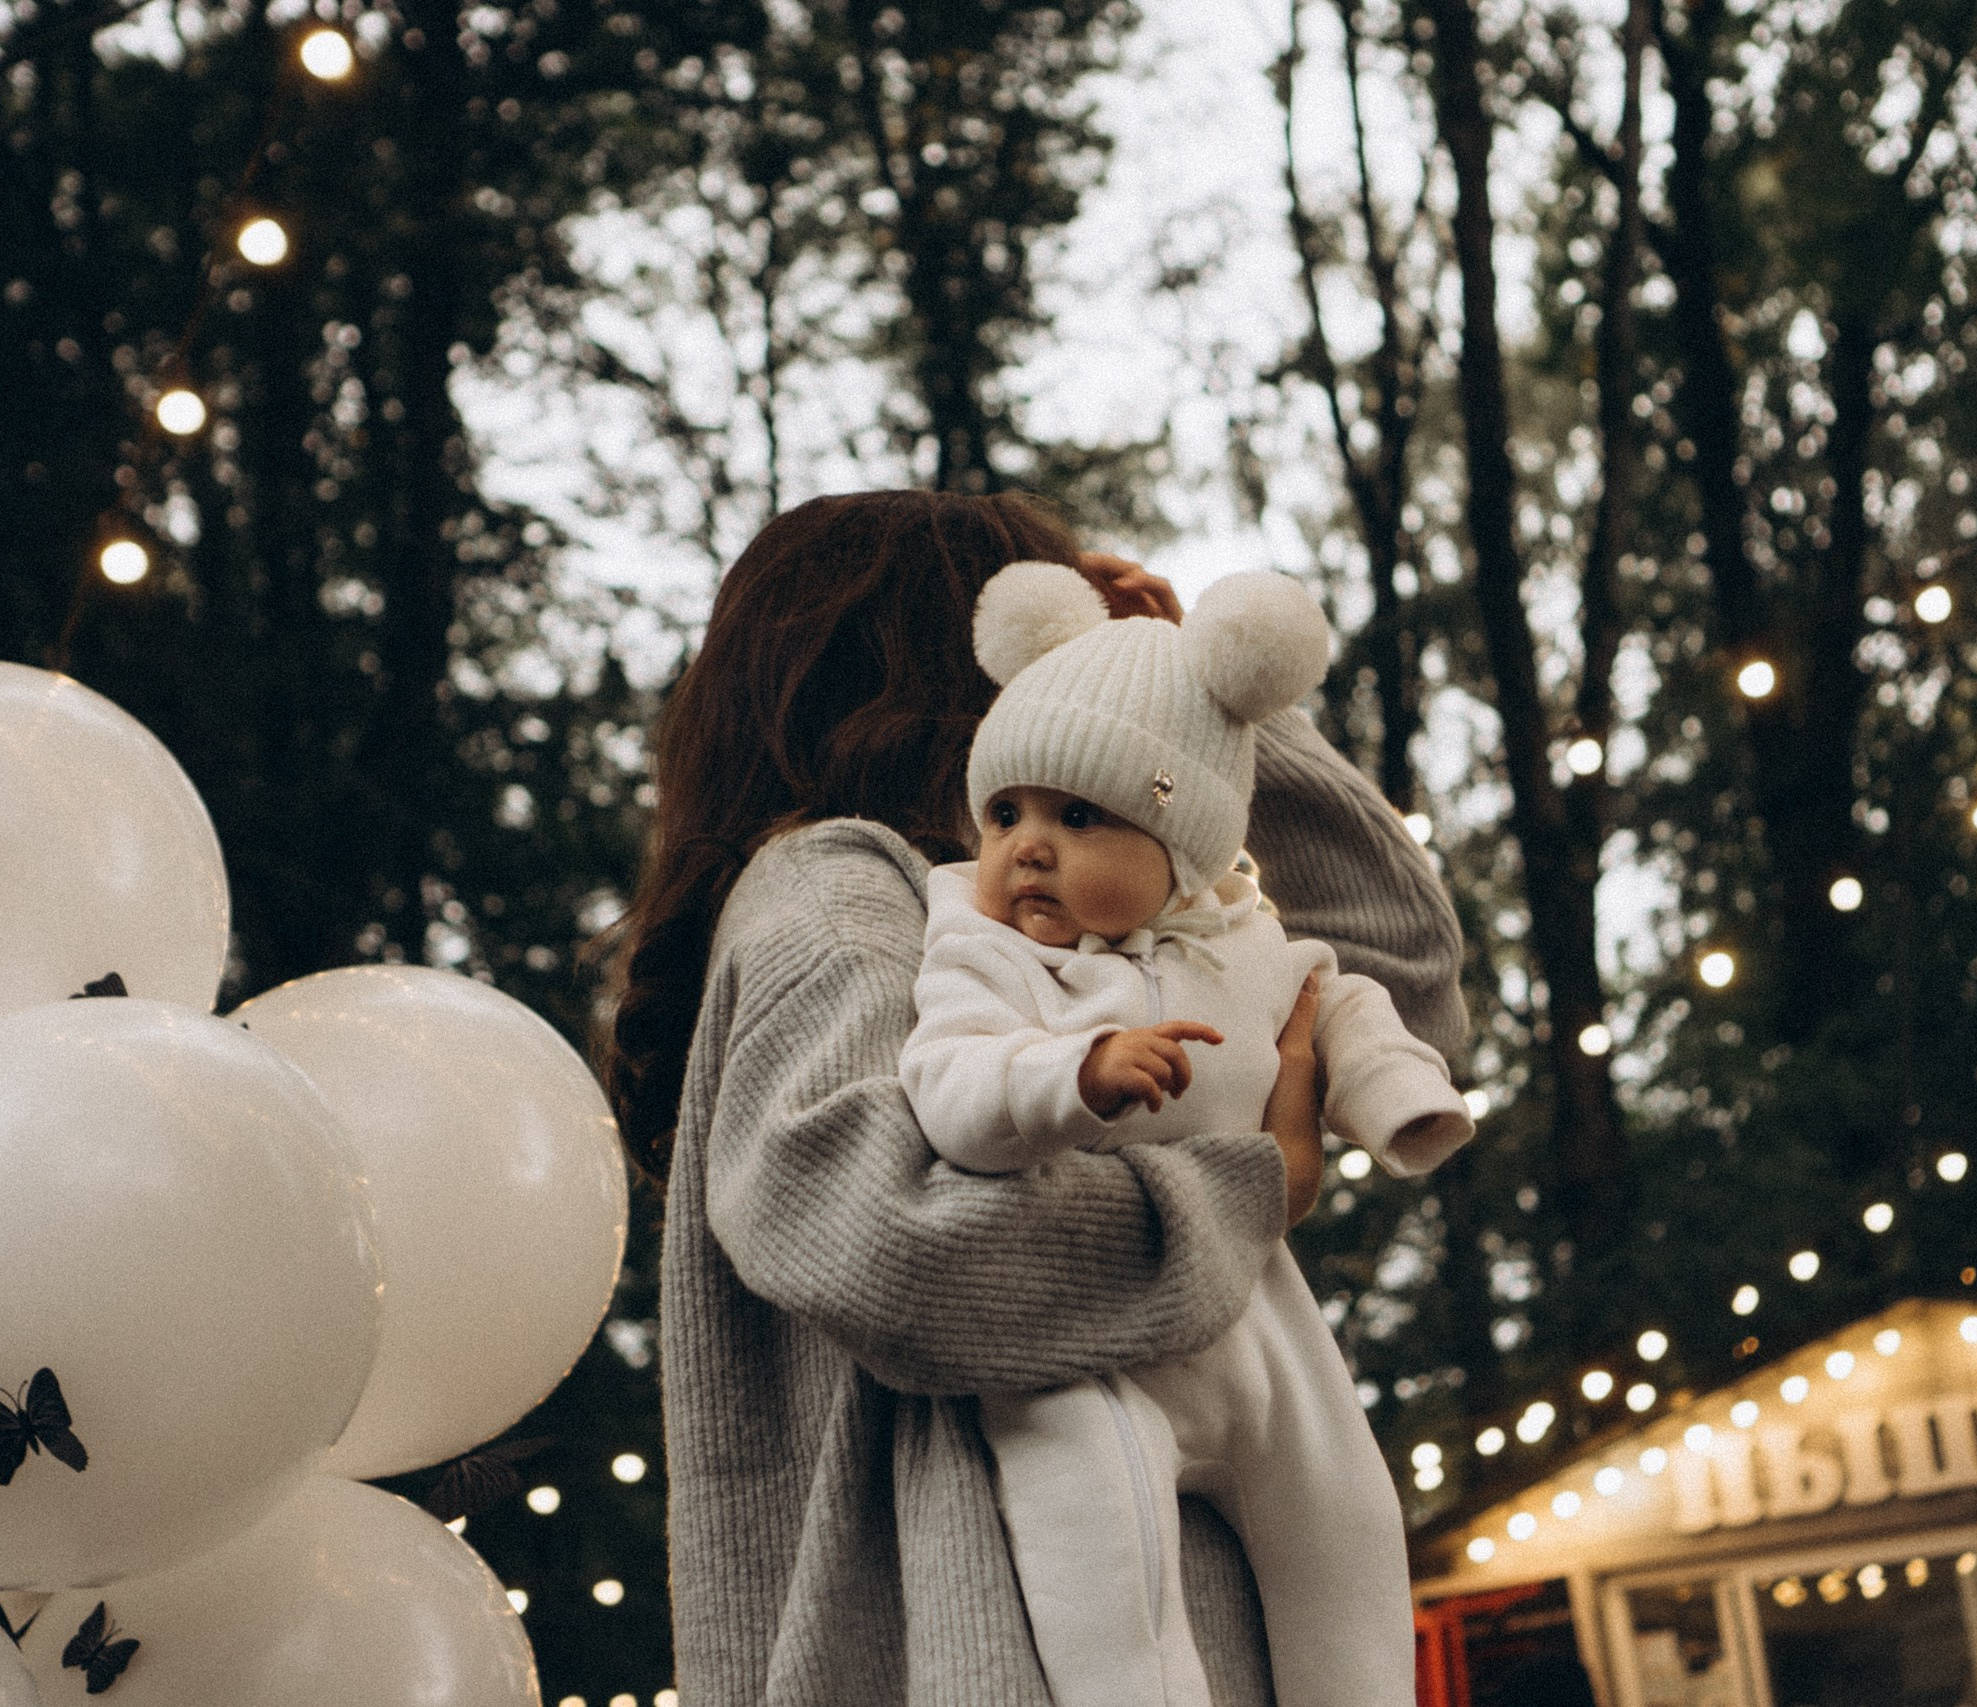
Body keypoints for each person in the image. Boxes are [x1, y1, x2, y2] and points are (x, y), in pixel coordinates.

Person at [591, 489, 1469, 1707]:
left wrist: (1204, 720)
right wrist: (1250, 1189)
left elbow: (1400, 979)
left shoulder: (1085, 920)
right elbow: (903, 1251)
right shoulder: (844, 894)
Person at [896, 559, 1474, 1707]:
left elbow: (1347, 1003)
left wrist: (1397, 1096)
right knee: (1095, 1544)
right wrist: (1071, 1074)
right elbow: (948, 1080)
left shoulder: (1254, 943)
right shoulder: (985, 950)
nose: (1025, 847)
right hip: (1093, 1336)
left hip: (1260, 1308)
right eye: (1003, 812)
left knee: (1345, 1517)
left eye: (1078, 815)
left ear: (1184, 842)